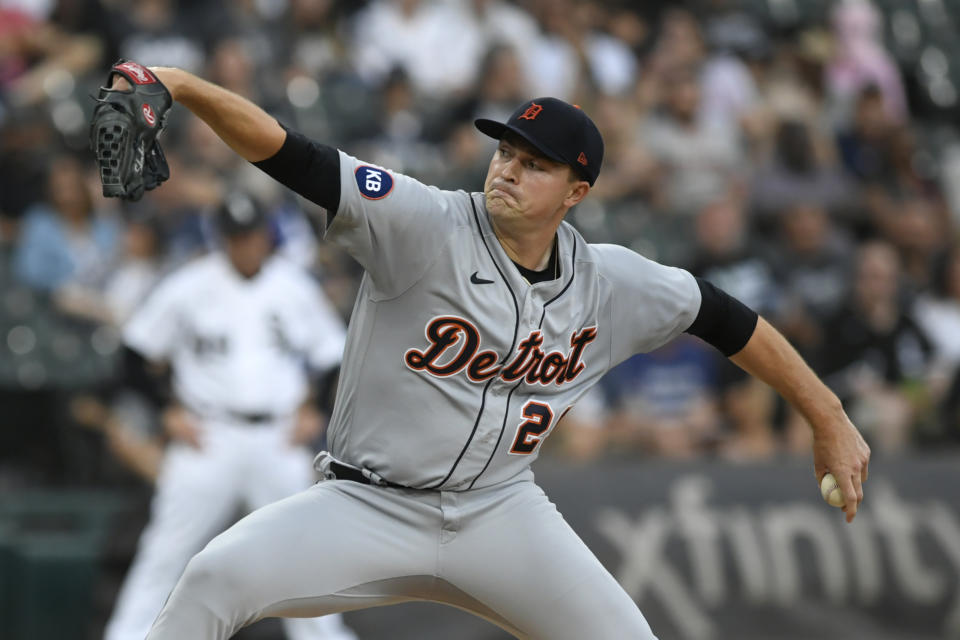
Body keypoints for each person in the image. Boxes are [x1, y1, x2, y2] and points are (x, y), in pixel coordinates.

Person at [108, 65, 869, 640]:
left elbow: (726, 318)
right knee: (210, 579)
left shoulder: (611, 282)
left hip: (501, 511)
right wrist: (176, 84)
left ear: (577, 191)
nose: (507, 168)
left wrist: (825, 413)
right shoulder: (422, 222)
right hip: (366, 503)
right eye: (505, 151)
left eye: (534, 163)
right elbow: (289, 153)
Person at [103, 193, 356, 640]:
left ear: (266, 235)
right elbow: (132, 355)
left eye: (253, 235)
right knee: (167, 551)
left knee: (301, 554)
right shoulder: (190, 286)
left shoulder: (291, 285)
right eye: (236, 237)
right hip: (208, 435)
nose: (246, 245)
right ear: (221, 238)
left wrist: (315, 409)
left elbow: (334, 355)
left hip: (277, 437)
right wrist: (166, 412)